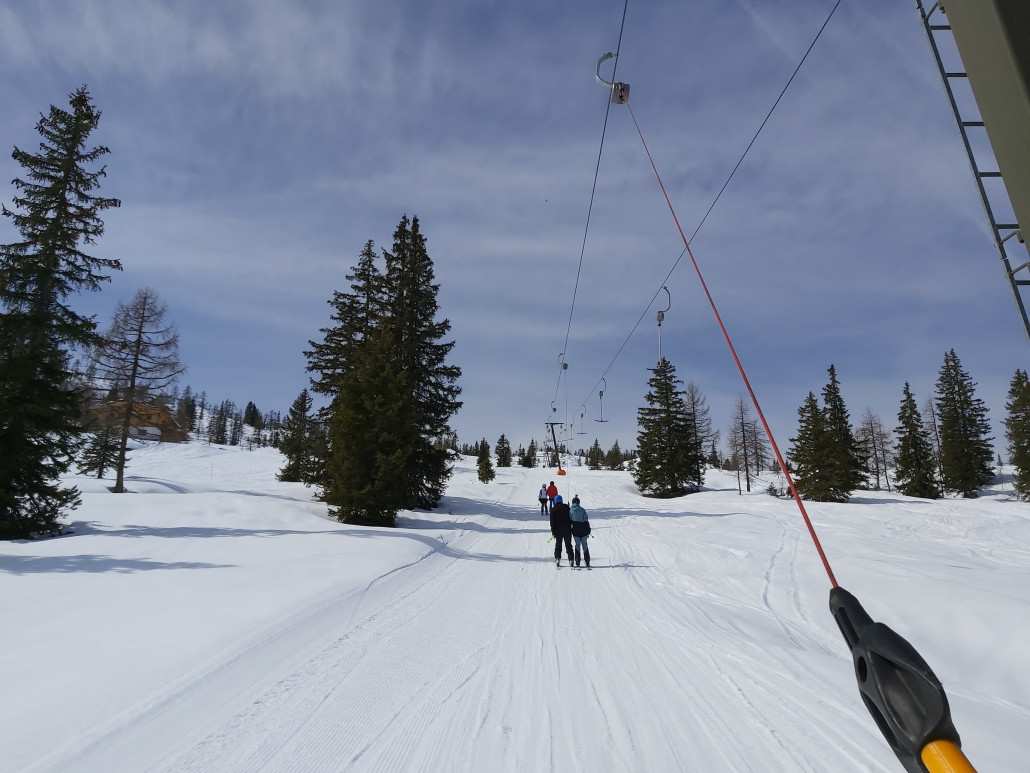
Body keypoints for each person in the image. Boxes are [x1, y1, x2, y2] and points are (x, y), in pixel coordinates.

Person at [549, 494, 574, 567]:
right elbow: (571, 517)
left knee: (558, 545)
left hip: (558, 531)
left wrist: (553, 532)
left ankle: (557, 559)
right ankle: (571, 559)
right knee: (568, 545)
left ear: (555, 501)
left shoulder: (553, 509)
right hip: (567, 530)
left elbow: (552, 522)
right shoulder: (567, 507)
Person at [569, 495, 591, 569]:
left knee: (577, 545)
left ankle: (577, 561)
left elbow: (570, 520)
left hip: (576, 530)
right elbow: (586, 520)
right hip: (584, 530)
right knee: (585, 545)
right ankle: (587, 561)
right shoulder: (583, 510)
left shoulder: (571, 510)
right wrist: (588, 530)